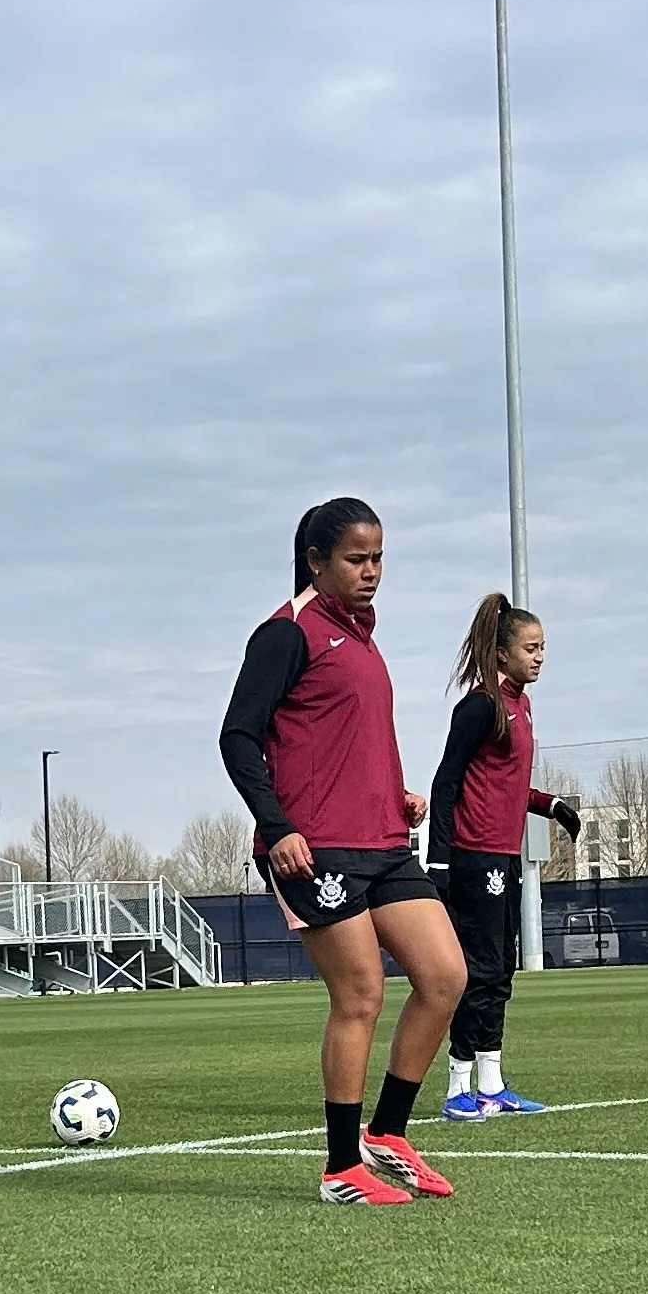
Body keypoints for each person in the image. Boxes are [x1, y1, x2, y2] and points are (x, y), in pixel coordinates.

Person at [219, 497, 469, 1204]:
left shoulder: (361, 638)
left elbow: (350, 742)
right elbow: (238, 737)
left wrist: (398, 797)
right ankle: (338, 1169)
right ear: (316, 561)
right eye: (357, 559)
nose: (371, 572)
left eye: (379, 558)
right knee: (359, 994)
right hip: (314, 849)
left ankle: (386, 1134)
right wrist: (278, 825)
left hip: (384, 842)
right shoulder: (286, 634)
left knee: (446, 977)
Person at [425, 592, 580, 1119]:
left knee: (500, 971)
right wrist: (439, 862)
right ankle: (457, 1088)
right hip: (472, 858)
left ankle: (491, 1082)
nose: (540, 657)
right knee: (477, 969)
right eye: (531, 648)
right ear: (501, 654)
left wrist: (551, 805)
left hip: (504, 856)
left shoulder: (522, 705)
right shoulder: (479, 706)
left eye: (544, 648)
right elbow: (446, 784)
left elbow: (506, 783)